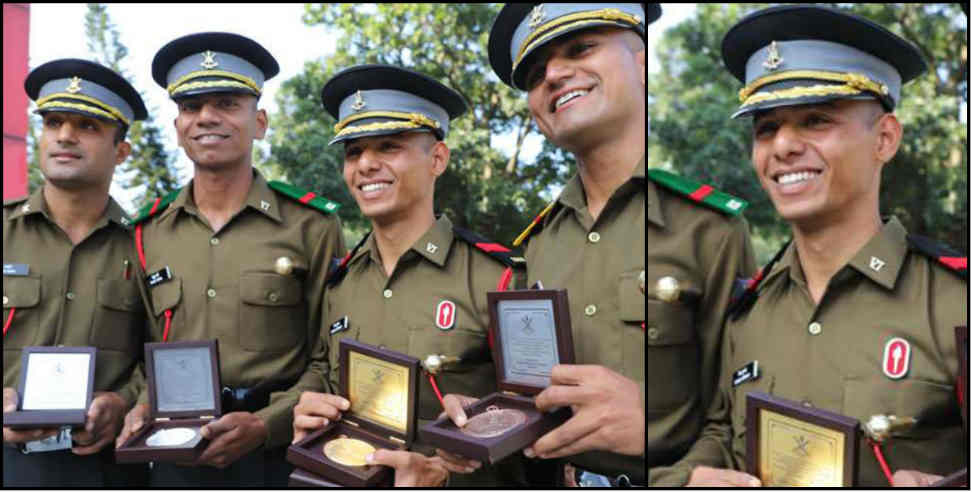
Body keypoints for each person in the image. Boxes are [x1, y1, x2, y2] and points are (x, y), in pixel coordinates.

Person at [687, 4, 967, 487]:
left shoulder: (953, 300)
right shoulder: (746, 312)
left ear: (884, 138)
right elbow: (723, 432)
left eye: (816, 120)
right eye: (766, 128)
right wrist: (688, 478)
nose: (783, 147)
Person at [479, 3, 757, 487]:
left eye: (581, 48)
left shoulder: (708, 230)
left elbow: (737, 417)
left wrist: (646, 423)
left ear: (643, 64)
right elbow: (533, 397)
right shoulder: (539, 243)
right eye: (537, 72)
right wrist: (485, 419)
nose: (555, 74)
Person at [113, 32, 345, 487]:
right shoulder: (146, 232)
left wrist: (267, 424)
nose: (206, 118)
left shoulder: (311, 226)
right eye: (191, 106)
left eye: (226, 103)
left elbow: (329, 355)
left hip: (278, 452)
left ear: (259, 122)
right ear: (177, 126)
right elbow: (139, 349)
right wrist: (140, 402)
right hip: (174, 452)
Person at [291, 63, 534, 487]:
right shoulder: (341, 284)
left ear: (437, 158)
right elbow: (327, 379)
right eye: (352, 151)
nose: (366, 164)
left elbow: (539, 427)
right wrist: (308, 409)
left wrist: (452, 464)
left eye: (388, 146)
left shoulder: (496, 279)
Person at [3, 58, 149, 487]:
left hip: (106, 469)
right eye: (53, 122)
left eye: (87, 126)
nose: (65, 135)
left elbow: (165, 351)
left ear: (121, 151)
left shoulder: (146, 245)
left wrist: (122, 402)